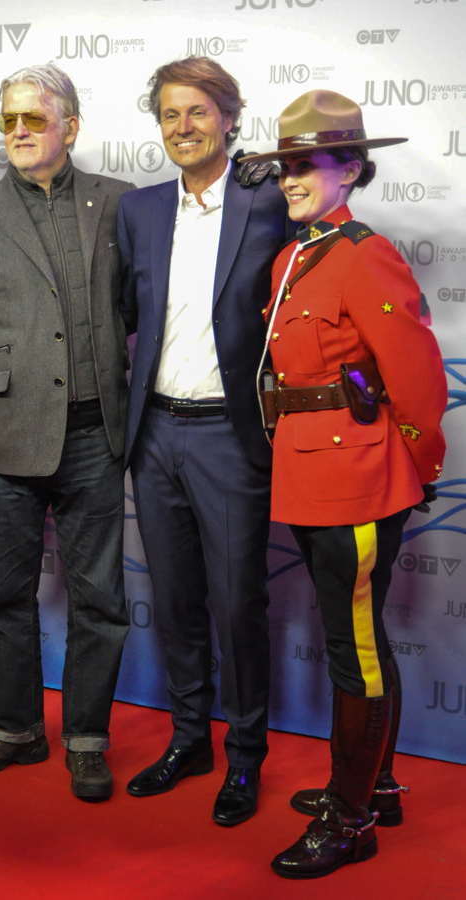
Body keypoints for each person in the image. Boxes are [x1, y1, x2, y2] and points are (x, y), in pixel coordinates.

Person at [241, 90, 447, 878]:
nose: (289, 177)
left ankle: (351, 818)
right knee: (353, 640)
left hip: (359, 476)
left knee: (351, 647)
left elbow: (417, 381)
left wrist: (411, 468)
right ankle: (378, 784)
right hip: (308, 469)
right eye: (285, 163)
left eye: (306, 164)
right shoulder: (293, 254)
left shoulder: (364, 253)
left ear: (350, 169)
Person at [0, 63, 134, 802]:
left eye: (32, 120)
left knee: (99, 600)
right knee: (5, 598)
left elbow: (144, 310)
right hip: (6, 436)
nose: (16, 132)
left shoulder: (119, 206)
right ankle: (13, 729)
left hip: (94, 437)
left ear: (70, 128)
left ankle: (86, 739)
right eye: (7, 121)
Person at [117, 57, 289, 825]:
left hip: (229, 435)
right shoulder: (140, 211)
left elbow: (327, 244)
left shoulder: (267, 198)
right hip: (152, 430)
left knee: (234, 603)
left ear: (228, 116)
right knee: (177, 598)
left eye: (196, 112)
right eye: (168, 115)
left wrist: (276, 167)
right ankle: (191, 738)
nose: (181, 127)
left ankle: (245, 758)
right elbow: (127, 312)